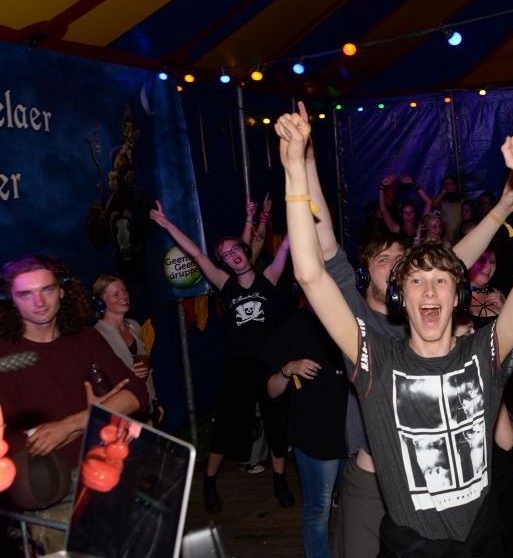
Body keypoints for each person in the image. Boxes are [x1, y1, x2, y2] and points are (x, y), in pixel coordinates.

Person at [278, 108, 513, 556]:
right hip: (412, 547)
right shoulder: (376, 360)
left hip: (482, 538)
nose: (429, 289)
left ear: (457, 296)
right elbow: (312, 276)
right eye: (417, 281)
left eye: (441, 280)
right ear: (399, 298)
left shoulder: (484, 352)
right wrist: (295, 170)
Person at [148, 202, 294, 513]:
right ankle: (209, 482)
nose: (232, 256)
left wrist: (296, 205)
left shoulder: (268, 278)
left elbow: (288, 245)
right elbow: (196, 254)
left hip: (269, 363)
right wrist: (167, 223)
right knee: (227, 424)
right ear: (224, 263)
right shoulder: (224, 284)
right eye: (225, 255)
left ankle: (280, 480)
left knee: (275, 422)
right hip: (238, 365)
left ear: (245, 248)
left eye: (235, 250)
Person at [0, 255, 147, 553]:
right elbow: (11, 441)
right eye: (25, 294)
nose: (38, 302)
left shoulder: (85, 338)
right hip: (53, 489)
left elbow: (136, 395)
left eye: (48, 290)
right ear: (11, 301)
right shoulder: (5, 356)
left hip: (110, 471)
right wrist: (100, 415)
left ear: (63, 291)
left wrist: (72, 424)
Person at [264, 303, 349, 558]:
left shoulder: (349, 318)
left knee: (353, 507)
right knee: (319, 509)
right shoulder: (294, 326)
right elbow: (272, 389)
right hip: (316, 438)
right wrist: (288, 369)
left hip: (354, 437)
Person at [91, 274, 160, 423]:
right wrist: (126, 373)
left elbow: (147, 371)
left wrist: (155, 402)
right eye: (116, 294)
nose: (124, 296)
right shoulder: (97, 335)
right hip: (122, 412)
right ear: (101, 302)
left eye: (125, 291)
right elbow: (97, 379)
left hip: (146, 407)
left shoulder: (134, 326)